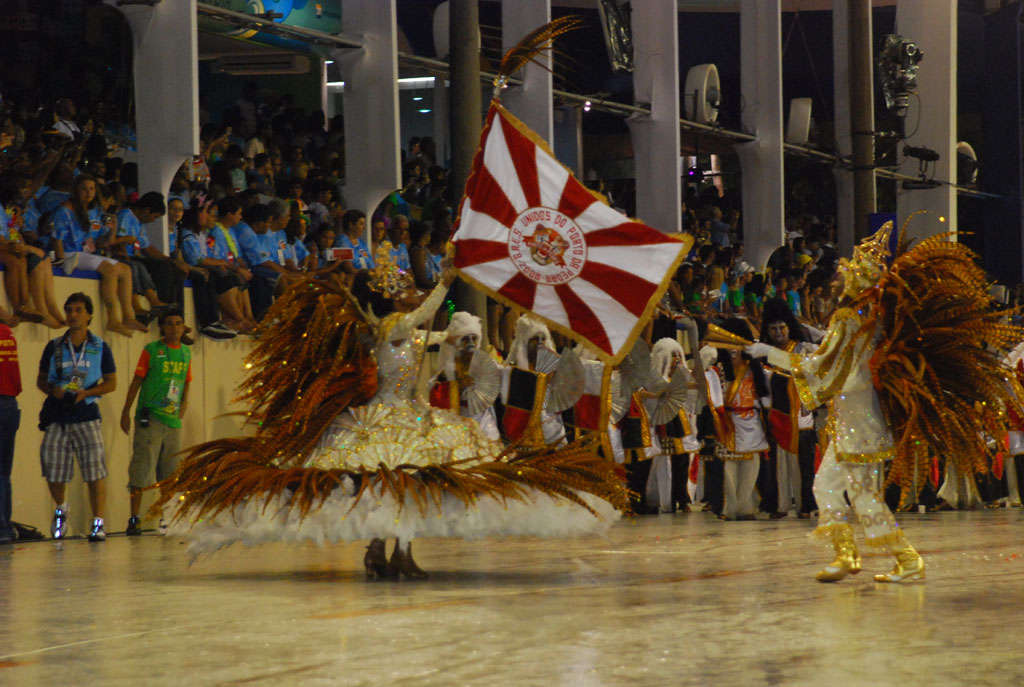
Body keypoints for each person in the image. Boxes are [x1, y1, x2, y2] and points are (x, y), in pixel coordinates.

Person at [152, 244, 626, 578]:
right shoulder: (391, 326)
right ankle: (386, 552)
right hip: (384, 417)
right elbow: (419, 320)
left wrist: (458, 337)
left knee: (403, 488)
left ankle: (393, 552)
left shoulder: (404, 332)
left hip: (409, 413)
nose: (411, 293)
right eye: (405, 288)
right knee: (390, 484)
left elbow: (432, 335)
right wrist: (446, 281)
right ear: (391, 298)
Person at [746, 222, 1023, 582]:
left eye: (849, 271)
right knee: (826, 487)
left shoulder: (850, 318)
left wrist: (769, 353)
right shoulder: (868, 316)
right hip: (853, 418)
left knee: (863, 496)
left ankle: (907, 559)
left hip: (859, 422)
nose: (842, 277)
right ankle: (847, 555)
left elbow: (821, 365)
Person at [37, 293, 117, 542]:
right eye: (69, 310)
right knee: (52, 469)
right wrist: (53, 390)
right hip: (58, 414)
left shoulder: (100, 346)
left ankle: (98, 522)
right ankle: (61, 508)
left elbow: (111, 383)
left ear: (89, 315)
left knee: (94, 472)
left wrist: (87, 393)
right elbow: (41, 380)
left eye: (79, 310)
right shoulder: (54, 346)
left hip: (87, 414)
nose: (73, 314)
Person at [121, 306, 191, 536]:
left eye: (178, 323)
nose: (174, 328)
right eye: (169, 323)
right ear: (162, 327)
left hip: (172, 421)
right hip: (150, 417)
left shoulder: (186, 353)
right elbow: (137, 381)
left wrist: (184, 403)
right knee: (141, 468)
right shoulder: (152, 350)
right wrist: (126, 410)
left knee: (170, 474)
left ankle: (166, 517)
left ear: (184, 327)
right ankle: (134, 518)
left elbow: (186, 381)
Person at [51, 175, 147, 336]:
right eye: (83, 189)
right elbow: (56, 239)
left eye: (91, 189)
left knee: (125, 270)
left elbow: (104, 242)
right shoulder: (65, 210)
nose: (88, 193)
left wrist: (113, 228)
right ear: (76, 190)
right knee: (109, 269)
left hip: (85, 253)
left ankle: (128, 317)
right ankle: (112, 319)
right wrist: (61, 262)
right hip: (68, 253)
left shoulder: (96, 211)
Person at [0, 321, 21, 542]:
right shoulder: (7, 333)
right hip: (10, 404)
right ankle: (5, 527)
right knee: (4, 473)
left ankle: (2, 528)